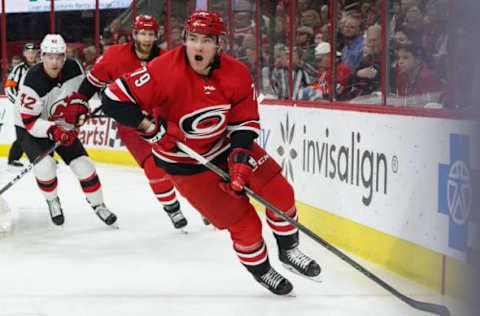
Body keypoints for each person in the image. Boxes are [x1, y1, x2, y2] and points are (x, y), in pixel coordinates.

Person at [101, 10, 321, 295]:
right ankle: (262, 269)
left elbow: (243, 124)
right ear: (185, 40)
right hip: (184, 162)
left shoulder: (237, 74)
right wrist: (150, 127)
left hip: (225, 147)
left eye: (206, 40)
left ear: (219, 44)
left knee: (281, 193)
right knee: (245, 224)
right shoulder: (162, 69)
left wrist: (240, 161)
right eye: (193, 39)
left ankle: (289, 250)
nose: (198, 47)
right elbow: (113, 99)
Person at [71, 15, 188, 230]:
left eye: (151, 34)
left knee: (184, 164)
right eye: (142, 33)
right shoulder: (115, 56)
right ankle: (172, 208)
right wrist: (80, 104)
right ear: (133, 34)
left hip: (160, 120)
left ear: (157, 35)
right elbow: (92, 82)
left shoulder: (166, 59)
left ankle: (205, 204)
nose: (146, 38)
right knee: (154, 167)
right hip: (131, 125)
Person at [14, 34, 117, 227]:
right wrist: (55, 131)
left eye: (59, 56)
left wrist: (80, 111)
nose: (55, 62)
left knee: (84, 165)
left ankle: (99, 205)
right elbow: (30, 122)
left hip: (59, 125)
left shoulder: (73, 68)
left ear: (64, 56)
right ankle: (53, 201)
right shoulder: (32, 80)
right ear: (41, 56)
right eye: (50, 57)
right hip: (31, 128)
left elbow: (79, 97)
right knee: (45, 167)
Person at [4, 43, 39, 167]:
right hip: (22, 107)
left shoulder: (41, 67)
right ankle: (13, 158)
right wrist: (18, 103)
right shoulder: (19, 68)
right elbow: (9, 87)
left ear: (36, 53)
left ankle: (42, 157)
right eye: (28, 52)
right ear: (24, 54)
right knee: (23, 133)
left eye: (33, 52)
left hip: (39, 106)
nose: (31, 54)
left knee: (41, 131)